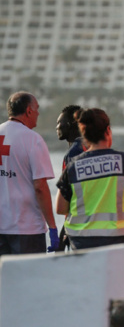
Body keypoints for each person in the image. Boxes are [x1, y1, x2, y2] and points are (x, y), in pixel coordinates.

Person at [55, 108, 124, 295]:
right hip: (117, 241)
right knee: (121, 298)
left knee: (86, 298)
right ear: (108, 131)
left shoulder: (73, 166)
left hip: (81, 243)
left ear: (84, 134)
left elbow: (60, 208)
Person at [0, 91, 58, 256]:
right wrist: (52, 227)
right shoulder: (33, 140)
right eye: (37, 108)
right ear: (28, 111)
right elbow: (40, 186)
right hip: (26, 228)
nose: (38, 113)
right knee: (28, 280)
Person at [56, 104, 87, 251]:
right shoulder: (88, 146)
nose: (57, 127)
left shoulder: (73, 153)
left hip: (78, 227)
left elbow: (73, 196)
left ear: (70, 124)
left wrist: (64, 232)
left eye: (59, 123)